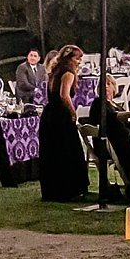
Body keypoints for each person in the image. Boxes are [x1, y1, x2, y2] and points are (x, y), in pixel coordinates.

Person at [37, 44, 89, 202]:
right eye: (77, 58)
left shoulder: (54, 72)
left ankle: (52, 189)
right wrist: (73, 112)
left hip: (49, 114)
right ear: (70, 59)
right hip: (60, 115)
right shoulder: (68, 73)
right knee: (67, 150)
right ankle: (68, 189)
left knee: (53, 152)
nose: (79, 62)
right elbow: (64, 95)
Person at [85, 71, 130, 202]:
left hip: (119, 142)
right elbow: (111, 118)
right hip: (110, 146)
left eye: (109, 84)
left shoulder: (114, 104)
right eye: (103, 84)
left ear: (114, 87)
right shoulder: (98, 104)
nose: (106, 87)